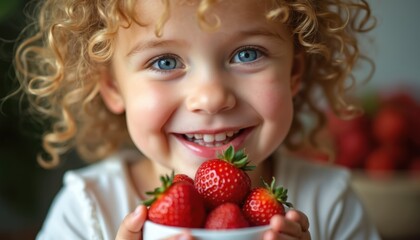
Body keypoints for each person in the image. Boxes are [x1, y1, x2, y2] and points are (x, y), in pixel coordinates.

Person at [13, 0, 381, 239]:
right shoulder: (88, 208)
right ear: (112, 87)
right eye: (165, 62)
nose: (211, 97)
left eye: (248, 53)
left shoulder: (329, 201)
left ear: (293, 72)